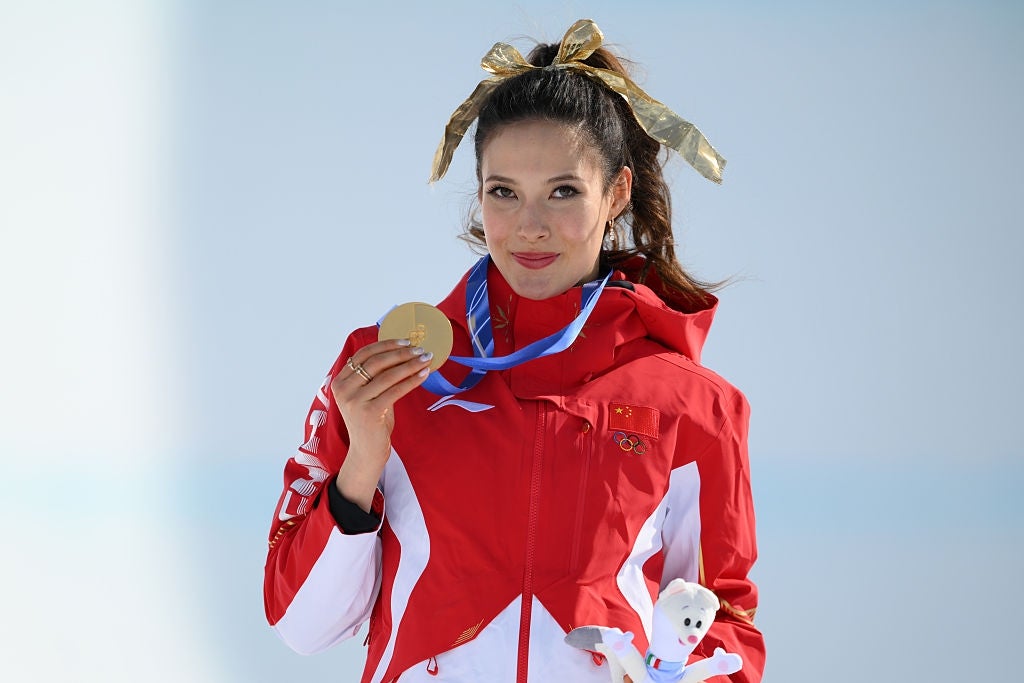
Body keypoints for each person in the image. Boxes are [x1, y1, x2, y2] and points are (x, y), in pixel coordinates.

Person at [263, 19, 765, 683]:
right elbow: (300, 625)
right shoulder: (387, 368)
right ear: (479, 194)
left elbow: (723, 626)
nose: (530, 226)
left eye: (563, 191)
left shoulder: (693, 404)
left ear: (616, 193)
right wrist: (361, 465)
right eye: (504, 192)